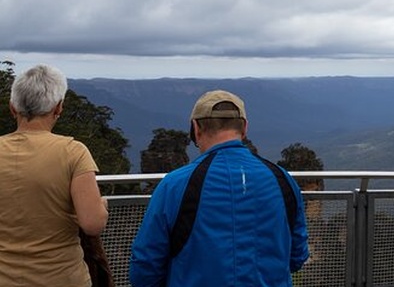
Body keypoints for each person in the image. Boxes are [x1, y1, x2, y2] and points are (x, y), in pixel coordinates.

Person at [129, 90, 309, 286]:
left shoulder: (175, 185)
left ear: (196, 128)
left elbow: (145, 267)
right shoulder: (283, 180)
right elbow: (297, 256)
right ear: (245, 128)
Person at [0, 64, 109, 286]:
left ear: (12, 108)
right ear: (58, 108)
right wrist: (102, 206)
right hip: (62, 278)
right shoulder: (73, 152)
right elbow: (92, 224)